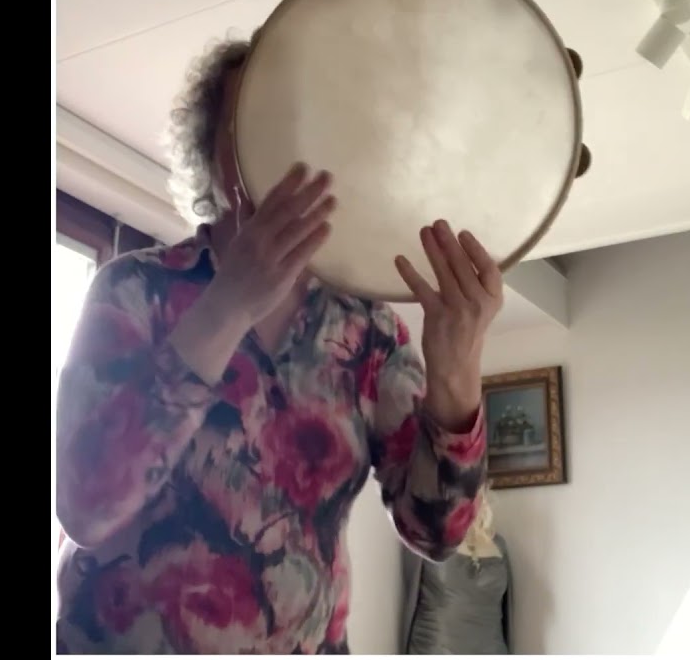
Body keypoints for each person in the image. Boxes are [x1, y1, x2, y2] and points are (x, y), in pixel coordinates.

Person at [54, 37, 503, 654]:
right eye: (249, 121)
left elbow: (437, 534)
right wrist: (228, 306)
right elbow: (84, 508)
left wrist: (457, 372)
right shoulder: (134, 289)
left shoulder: (368, 330)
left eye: (296, 121)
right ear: (208, 149)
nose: (276, 144)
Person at [400, 486, 513, 654]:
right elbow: (408, 599)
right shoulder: (422, 538)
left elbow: (507, 613)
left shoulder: (499, 545)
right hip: (436, 649)